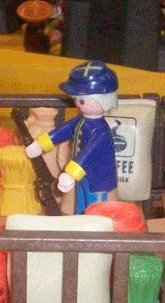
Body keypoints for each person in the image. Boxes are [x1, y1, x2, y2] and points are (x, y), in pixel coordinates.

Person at [24, 60, 119, 213]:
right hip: (82, 177)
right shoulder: (81, 120)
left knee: (96, 210)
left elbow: (88, 153)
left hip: (97, 181)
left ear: (102, 100)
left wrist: (70, 174)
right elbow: (63, 130)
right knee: (79, 206)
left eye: (81, 100)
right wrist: (41, 144)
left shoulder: (101, 131)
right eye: (76, 100)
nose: (78, 104)